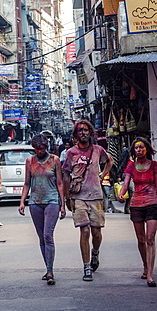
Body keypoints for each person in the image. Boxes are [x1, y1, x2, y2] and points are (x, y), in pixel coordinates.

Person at [63, 119, 114, 281]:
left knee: (96, 233)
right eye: (80, 130)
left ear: (90, 132)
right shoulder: (71, 153)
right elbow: (65, 174)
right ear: (75, 134)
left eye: (86, 130)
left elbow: (110, 161)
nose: (83, 133)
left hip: (96, 196)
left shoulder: (98, 150)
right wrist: (67, 197)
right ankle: (86, 267)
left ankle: (95, 253)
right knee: (84, 231)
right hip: (78, 197)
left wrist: (102, 174)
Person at [18, 134, 66, 285]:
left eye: (42, 148)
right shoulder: (30, 161)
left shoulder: (54, 160)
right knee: (41, 237)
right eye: (37, 149)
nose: (39, 151)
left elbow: (60, 182)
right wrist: (22, 202)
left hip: (52, 201)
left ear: (46, 146)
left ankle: (50, 271)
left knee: (48, 235)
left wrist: (63, 204)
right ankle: (48, 268)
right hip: (35, 203)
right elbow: (27, 183)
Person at [118, 137, 157, 287]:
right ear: (133, 151)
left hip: (153, 203)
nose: (139, 150)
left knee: (150, 238)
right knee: (141, 240)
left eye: (141, 147)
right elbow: (126, 183)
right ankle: (146, 266)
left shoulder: (154, 166)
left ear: (147, 148)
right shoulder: (131, 167)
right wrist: (122, 194)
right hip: (136, 204)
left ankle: (150, 275)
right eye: (136, 148)